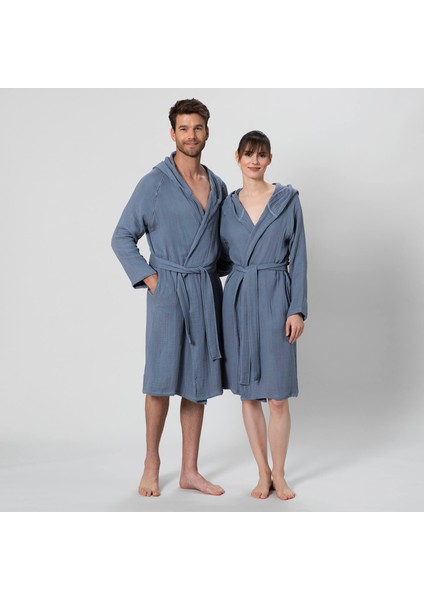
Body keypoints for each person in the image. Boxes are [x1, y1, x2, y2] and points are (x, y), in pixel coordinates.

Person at [111, 99, 227, 497]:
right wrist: (152, 279)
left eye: (198, 128)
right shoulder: (155, 183)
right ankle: (152, 462)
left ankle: (190, 471)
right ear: (173, 133)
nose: (191, 135)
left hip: (204, 290)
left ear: (207, 132)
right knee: (159, 379)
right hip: (169, 289)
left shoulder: (218, 185)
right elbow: (122, 236)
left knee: (198, 381)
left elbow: (221, 244)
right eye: (184, 129)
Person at [219, 130, 307, 500]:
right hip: (239, 300)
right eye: (248, 154)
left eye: (261, 154)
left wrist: (297, 308)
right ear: (237, 157)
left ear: (269, 159)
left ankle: (280, 474)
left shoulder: (287, 200)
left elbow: (299, 257)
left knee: (278, 397)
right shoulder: (226, 207)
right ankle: (262, 472)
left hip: (275, 296)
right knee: (249, 395)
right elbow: (218, 257)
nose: (254, 161)